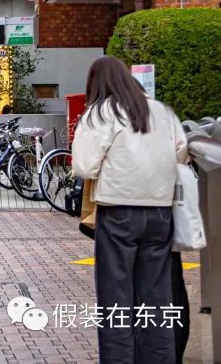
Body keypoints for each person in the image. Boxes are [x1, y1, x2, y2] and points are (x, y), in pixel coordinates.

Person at [71, 56, 188, 363]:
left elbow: (84, 167)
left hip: (119, 212)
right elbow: (181, 153)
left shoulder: (101, 112)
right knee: (158, 299)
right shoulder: (161, 111)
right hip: (161, 213)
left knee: (116, 301)